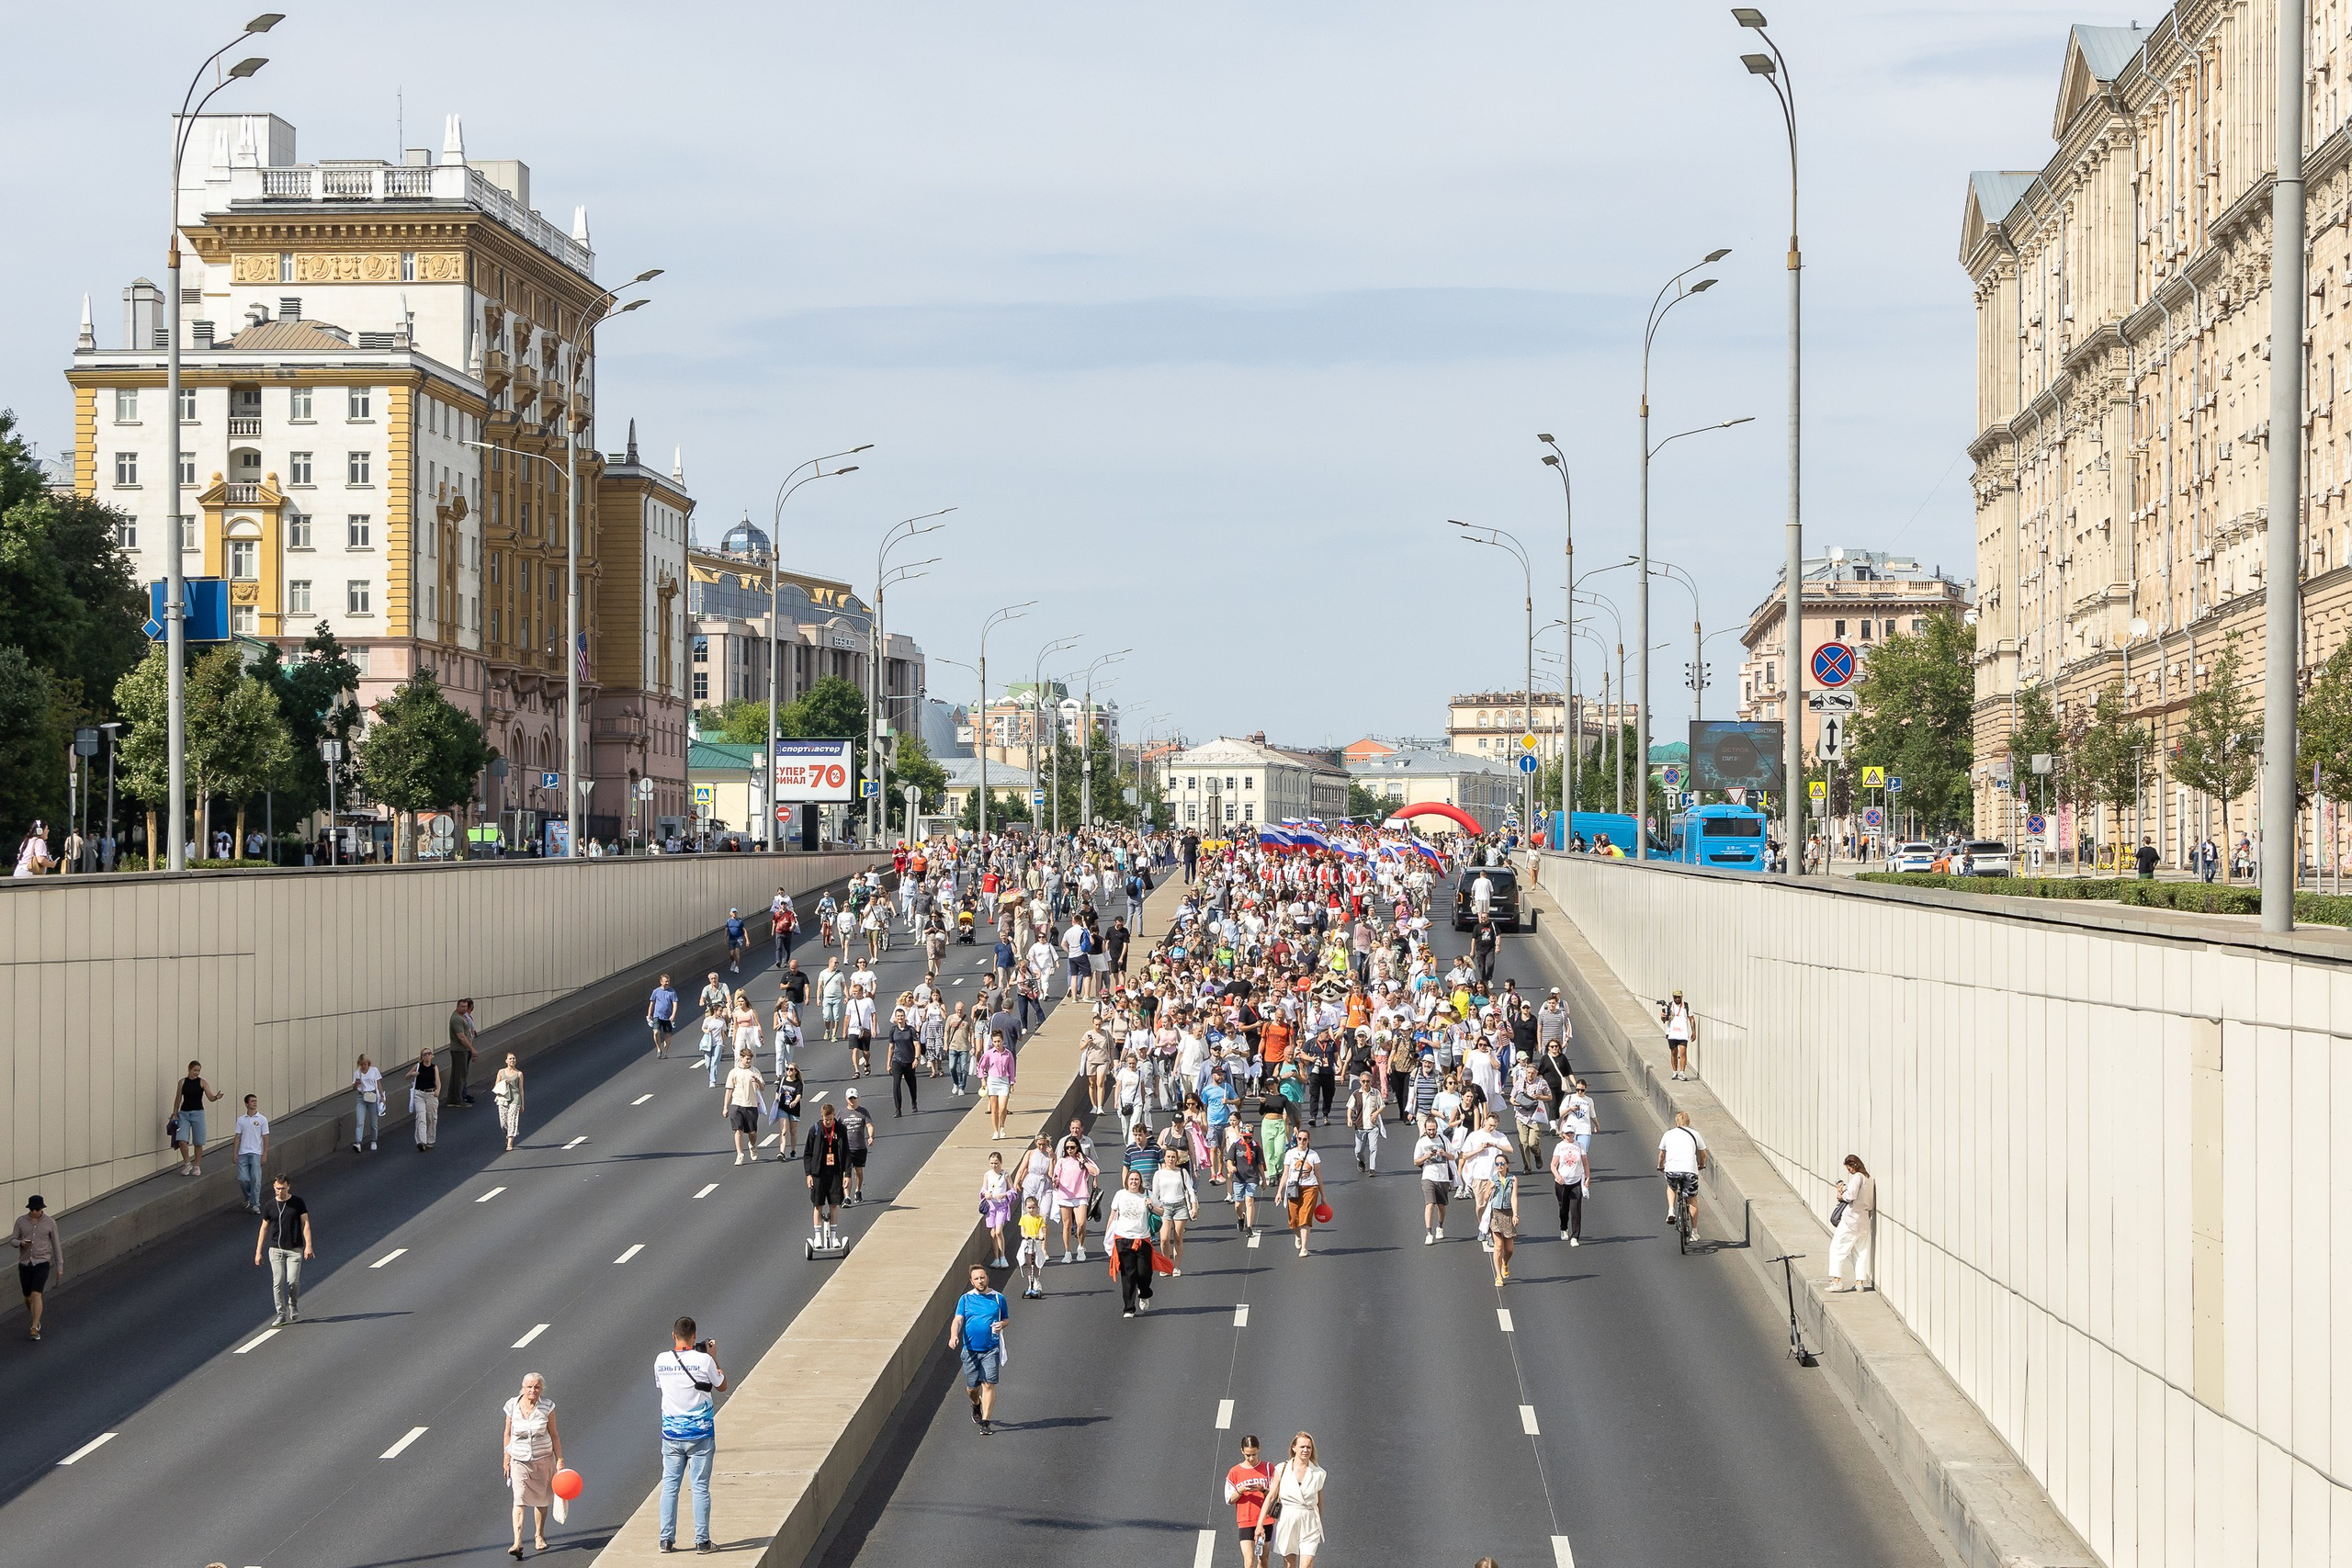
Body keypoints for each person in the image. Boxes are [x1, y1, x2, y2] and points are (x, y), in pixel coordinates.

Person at [655, 1316, 725, 1554]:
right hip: (701, 1435)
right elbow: (722, 1384)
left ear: (673, 1335)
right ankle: (702, 1541)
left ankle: (666, 1540)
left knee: (670, 1487)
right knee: (700, 1487)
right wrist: (713, 1356)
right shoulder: (704, 1360)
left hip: (672, 1435)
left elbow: (662, 1386)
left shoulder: (661, 1360)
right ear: (695, 1336)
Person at [502, 1371, 563, 1558]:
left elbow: (554, 1434)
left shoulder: (547, 1406)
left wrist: (559, 1459)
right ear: (523, 1387)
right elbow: (507, 1433)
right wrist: (506, 1458)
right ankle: (517, 1541)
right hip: (519, 1459)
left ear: (541, 1389)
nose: (532, 1390)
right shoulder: (512, 1405)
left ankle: (539, 1535)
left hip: (543, 1458)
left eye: (536, 1387)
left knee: (541, 1499)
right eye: (529, 1387)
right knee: (519, 1499)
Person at [948, 1262, 1009, 1434]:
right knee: (972, 1388)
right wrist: (954, 1336)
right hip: (970, 1350)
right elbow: (958, 1320)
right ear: (971, 1281)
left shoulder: (998, 1298)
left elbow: (1006, 1319)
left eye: (983, 1277)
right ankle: (976, 1404)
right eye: (977, 1279)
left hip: (991, 1348)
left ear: (987, 1278)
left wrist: (1001, 1325)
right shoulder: (966, 1299)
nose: (980, 1281)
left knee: (988, 1384)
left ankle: (986, 1422)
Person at [254, 1173, 313, 1325]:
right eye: (278, 1189)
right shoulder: (269, 1206)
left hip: (294, 1249)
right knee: (278, 1281)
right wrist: (258, 1251)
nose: (281, 1192)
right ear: (274, 1187)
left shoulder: (298, 1203)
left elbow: (305, 1223)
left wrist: (308, 1246)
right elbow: (264, 1229)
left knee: (292, 1280)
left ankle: (293, 1304)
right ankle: (281, 1313)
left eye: (283, 1188)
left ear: (289, 1186)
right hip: (275, 1249)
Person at [1261, 1431, 1328, 1566]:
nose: (1305, 1450)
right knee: (1289, 1563)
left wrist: (1318, 1521)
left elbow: (1319, 1501)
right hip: (1287, 1519)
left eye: (1309, 1447)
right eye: (1302, 1447)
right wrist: (1259, 1525)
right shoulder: (1282, 1468)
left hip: (1309, 1521)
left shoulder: (1319, 1473)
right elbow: (1271, 1496)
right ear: (1294, 1448)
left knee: (1307, 1562)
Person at [1105, 1168, 1163, 1316]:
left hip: (1142, 1238)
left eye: (1136, 1179)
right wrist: (1108, 1236)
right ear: (1127, 1181)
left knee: (1144, 1273)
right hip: (1123, 1239)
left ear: (1140, 1182)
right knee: (1128, 1274)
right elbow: (1112, 1216)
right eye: (1131, 1179)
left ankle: (1144, 1292)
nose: (1134, 1182)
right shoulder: (1120, 1195)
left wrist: (1151, 1206)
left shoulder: (1147, 1194)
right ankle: (1129, 1308)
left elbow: (1162, 1211)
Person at [12, 1195, 61, 1341]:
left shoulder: (50, 1223)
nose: (34, 1212)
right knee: (27, 1297)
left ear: (42, 1209)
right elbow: (12, 1240)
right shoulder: (21, 1221)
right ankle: (35, 1316)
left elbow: (56, 1245)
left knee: (36, 1294)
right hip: (25, 1263)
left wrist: (60, 1266)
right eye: (32, 1209)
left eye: (37, 1209)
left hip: (42, 1262)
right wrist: (20, 1243)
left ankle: (34, 1327)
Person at [1825, 1154, 1876, 1292]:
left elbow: (1851, 1195)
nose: (1849, 1172)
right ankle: (1859, 1283)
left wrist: (1841, 1194)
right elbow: (1870, 1203)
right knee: (1860, 1252)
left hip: (1850, 1220)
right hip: (1864, 1220)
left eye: (1849, 1168)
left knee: (1836, 1248)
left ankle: (1837, 1281)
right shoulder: (1869, 1179)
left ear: (1854, 1165)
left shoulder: (1858, 1177)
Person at [1657, 1110, 1709, 1241]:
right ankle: (1695, 1232)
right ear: (1688, 1122)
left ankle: (1671, 1211)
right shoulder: (1695, 1134)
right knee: (1692, 1199)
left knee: (1671, 1186)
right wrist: (1701, 1165)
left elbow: (1662, 1154)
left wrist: (1660, 1166)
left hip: (1672, 1170)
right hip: (1689, 1170)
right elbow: (1703, 1153)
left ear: (1676, 1122)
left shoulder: (1668, 1134)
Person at [1226, 1436, 1276, 1568]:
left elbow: (1275, 1495)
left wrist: (1262, 1489)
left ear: (1259, 1449)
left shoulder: (1268, 1468)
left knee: (1263, 1559)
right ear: (1242, 1451)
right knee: (1249, 1560)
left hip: (1266, 1520)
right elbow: (1229, 1499)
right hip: (1245, 1520)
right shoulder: (1234, 1472)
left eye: (1254, 1454)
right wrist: (1240, 1490)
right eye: (1248, 1455)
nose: (1251, 1458)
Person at [804, 1101, 848, 1248]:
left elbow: (847, 1153)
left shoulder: (841, 1129)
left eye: (830, 1119)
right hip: (819, 1173)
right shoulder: (815, 1129)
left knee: (834, 1205)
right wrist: (808, 1174)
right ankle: (817, 1237)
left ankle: (834, 1237)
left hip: (835, 1172)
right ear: (822, 1117)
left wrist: (847, 1174)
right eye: (825, 1119)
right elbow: (808, 1154)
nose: (828, 1122)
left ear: (834, 1116)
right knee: (818, 1205)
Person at [173, 1061, 223, 1177]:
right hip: (184, 1114)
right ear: (189, 1069)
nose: (197, 1073)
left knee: (198, 1142)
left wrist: (216, 1097)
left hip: (198, 1114)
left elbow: (210, 1097)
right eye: (195, 1070)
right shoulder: (182, 1082)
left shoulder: (202, 1082)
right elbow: (178, 1098)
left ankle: (197, 1166)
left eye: (198, 1071)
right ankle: (187, 1163)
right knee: (182, 1141)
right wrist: (175, 1113)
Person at [1281, 1127, 1323, 1258]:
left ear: (1308, 1141)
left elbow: (1318, 1175)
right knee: (1293, 1221)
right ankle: (1298, 1236)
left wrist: (1324, 1196)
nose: (1302, 1141)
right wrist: (1279, 1192)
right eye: (1300, 1139)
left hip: (1310, 1187)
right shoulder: (1290, 1154)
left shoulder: (1313, 1155)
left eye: (1305, 1139)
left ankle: (1304, 1248)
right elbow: (1285, 1174)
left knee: (1305, 1217)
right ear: (1297, 1139)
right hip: (1293, 1187)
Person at [1414, 1114, 1453, 1245]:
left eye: (1433, 1129)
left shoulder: (1443, 1139)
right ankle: (1429, 1233)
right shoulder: (1421, 1142)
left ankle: (1440, 1227)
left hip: (1443, 1177)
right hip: (1428, 1176)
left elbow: (1453, 1156)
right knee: (1430, 1204)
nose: (1431, 1132)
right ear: (1425, 1129)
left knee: (1441, 1206)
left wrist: (1444, 1154)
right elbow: (1415, 1161)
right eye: (1429, 1129)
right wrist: (1426, 1156)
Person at [723, 1048, 765, 1166]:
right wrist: (725, 1107)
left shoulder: (754, 1071)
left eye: (750, 1059)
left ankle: (752, 1145)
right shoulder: (734, 1072)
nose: (748, 1061)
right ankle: (740, 1154)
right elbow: (729, 1091)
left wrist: (758, 1081)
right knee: (738, 1130)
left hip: (751, 1105)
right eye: (747, 1059)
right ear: (741, 1058)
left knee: (752, 1132)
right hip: (737, 1104)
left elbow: (762, 1088)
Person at [1549, 1126, 1589, 1246]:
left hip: (1576, 1182)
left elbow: (1585, 1164)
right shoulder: (1559, 1146)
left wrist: (1587, 1178)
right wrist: (1558, 1176)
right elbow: (1553, 1164)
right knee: (1563, 1208)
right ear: (1563, 1134)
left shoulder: (1580, 1145)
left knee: (1576, 1210)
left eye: (1571, 1133)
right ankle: (1564, 1228)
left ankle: (1575, 1237)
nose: (1569, 1135)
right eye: (1567, 1133)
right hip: (1562, 1183)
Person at [233, 1094, 270, 1213]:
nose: (255, 1103)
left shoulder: (262, 1119)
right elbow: (237, 1137)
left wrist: (264, 1154)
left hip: (256, 1153)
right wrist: (235, 1153)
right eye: (252, 1101)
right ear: (246, 1104)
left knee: (255, 1178)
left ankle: (255, 1204)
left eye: (256, 1101)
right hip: (243, 1153)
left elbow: (265, 1138)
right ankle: (247, 1197)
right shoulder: (241, 1120)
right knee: (243, 1179)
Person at [979, 1151, 1014, 1268]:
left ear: (1001, 1163)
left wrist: (1004, 1194)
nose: (994, 1166)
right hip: (991, 1206)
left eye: (996, 1163)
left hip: (1001, 1206)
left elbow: (1013, 1191)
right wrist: (986, 1193)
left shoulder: (1005, 1175)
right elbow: (983, 1189)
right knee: (993, 1233)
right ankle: (996, 1258)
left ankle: (1003, 1257)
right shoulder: (987, 1175)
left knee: (999, 1231)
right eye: (992, 1163)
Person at [841, 1088, 876, 1204]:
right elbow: (835, 1129)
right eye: (850, 1098)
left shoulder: (863, 1112)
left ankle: (858, 1190)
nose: (852, 1100)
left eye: (854, 1098)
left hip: (859, 1147)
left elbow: (869, 1125)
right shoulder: (841, 1113)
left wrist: (871, 1137)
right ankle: (846, 1197)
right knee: (847, 1172)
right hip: (846, 1148)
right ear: (846, 1099)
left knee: (858, 1171)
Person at [1487, 1164, 1520, 1283]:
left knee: (1509, 1249)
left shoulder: (1513, 1179)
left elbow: (1514, 1197)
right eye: (1497, 1164)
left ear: (1507, 1165)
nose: (1499, 1166)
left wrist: (1515, 1214)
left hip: (1508, 1213)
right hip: (1495, 1213)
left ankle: (1505, 1263)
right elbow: (1486, 1198)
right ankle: (1498, 1276)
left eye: (1502, 1163)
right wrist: (1491, 1188)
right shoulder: (1492, 1179)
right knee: (1498, 1246)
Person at [886, 1008, 922, 1116]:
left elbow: (917, 1044)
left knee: (912, 1085)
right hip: (897, 1061)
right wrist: (888, 1063)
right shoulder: (893, 1030)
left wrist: (916, 1058)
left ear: (905, 1017)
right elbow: (891, 1047)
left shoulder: (911, 1030)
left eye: (902, 1016)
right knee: (896, 1085)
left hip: (909, 1062)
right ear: (895, 1018)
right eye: (898, 1016)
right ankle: (898, 1109)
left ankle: (914, 1101)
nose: (900, 1018)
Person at [447, 998, 481, 1108]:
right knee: (459, 1075)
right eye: (462, 1007)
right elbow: (461, 1036)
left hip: (464, 1050)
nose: (464, 1009)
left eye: (466, 1007)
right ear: (457, 1007)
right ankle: (457, 1099)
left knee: (461, 1074)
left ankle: (454, 1098)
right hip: (459, 1050)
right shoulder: (457, 1018)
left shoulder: (463, 1017)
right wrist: (472, 1049)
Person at [410, 1046, 442, 1151]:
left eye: (429, 1054)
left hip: (431, 1094)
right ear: (422, 1057)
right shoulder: (418, 1066)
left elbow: (437, 1081)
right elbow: (407, 1076)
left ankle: (430, 1139)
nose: (427, 1055)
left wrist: (438, 1090)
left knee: (431, 1118)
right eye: (425, 1054)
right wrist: (412, 1074)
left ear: (432, 1056)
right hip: (419, 1094)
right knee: (421, 1117)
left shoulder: (434, 1067)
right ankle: (421, 1141)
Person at [493, 1054, 526, 1152]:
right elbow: (496, 1085)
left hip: (515, 1099)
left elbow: (520, 1089)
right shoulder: (501, 1072)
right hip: (503, 1098)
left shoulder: (519, 1074)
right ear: (506, 1061)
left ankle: (510, 1143)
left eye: (514, 1058)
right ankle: (509, 1133)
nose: (512, 1060)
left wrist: (522, 1104)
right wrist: (504, 1082)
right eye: (510, 1059)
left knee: (512, 1120)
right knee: (503, 1123)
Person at [352, 1054, 384, 1152]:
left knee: (373, 1122)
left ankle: (373, 1140)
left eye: (365, 1064)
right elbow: (354, 1088)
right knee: (360, 1121)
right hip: (362, 1097)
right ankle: (358, 1142)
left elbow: (378, 1084)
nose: (363, 1066)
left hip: (373, 1096)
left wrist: (382, 1097)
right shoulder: (357, 1073)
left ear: (368, 1063)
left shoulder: (374, 1070)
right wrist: (356, 1084)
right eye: (361, 1064)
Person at [1663, 990, 1694, 1080]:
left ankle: (1682, 1072)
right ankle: (1674, 1071)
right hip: (1672, 1033)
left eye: (1679, 997)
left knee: (1683, 1051)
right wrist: (1663, 1017)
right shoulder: (1669, 1006)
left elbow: (1692, 1019)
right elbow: (1665, 1019)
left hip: (1682, 1033)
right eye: (1675, 997)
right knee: (1674, 1052)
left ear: (1682, 997)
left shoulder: (1686, 1006)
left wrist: (1694, 1032)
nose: (1677, 998)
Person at [646, 974, 680, 1058]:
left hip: (667, 1017)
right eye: (665, 981)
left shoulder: (672, 992)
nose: (667, 983)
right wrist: (649, 1015)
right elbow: (652, 1003)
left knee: (667, 1035)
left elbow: (675, 1004)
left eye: (668, 981)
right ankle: (658, 1049)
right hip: (657, 1016)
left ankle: (665, 1052)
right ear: (661, 982)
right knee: (656, 1032)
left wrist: (673, 1015)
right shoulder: (656, 991)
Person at [725, 908, 748, 974]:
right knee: (731, 954)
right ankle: (733, 962)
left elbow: (744, 930)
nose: (734, 913)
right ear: (730, 913)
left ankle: (737, 967)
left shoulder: (740, 921)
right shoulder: (728, 921)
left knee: (737, 953)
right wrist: (725, 939)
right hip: (731, 939)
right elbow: (726, 930)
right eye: (733, 912)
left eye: (735, 912)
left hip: (739, 939)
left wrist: (747, 940)